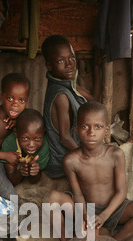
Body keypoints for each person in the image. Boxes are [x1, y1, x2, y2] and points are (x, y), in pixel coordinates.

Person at [47, 101, 133, 241]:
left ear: (107, 130)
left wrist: (104, 216)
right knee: (50, 197)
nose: (91, 133)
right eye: (85, 127)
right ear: (77, 130)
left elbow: (121, 192)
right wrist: (85, 216)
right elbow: (78, 194)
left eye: (98, 127)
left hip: (114, 209)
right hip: (85, 208)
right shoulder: (71, 160)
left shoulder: (116, 154)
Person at [41, 34, 95, 180]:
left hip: (74, 154)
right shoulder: (61, 96)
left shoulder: (67, 83)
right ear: (49, 66)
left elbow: (92, 101)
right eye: (60, 60)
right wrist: (90, 159)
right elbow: (65, 138)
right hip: (62, 165)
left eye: (71, 57)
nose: (69, 64)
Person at [1, 108, 50, 187]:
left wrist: (35, 172)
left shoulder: (43, 147)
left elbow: (33, 181)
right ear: (16, 132)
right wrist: (20, 172)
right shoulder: (9, 143)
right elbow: (11, 180)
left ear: (43, 133)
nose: (31, 144)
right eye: (25, 138)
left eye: (37, 139)